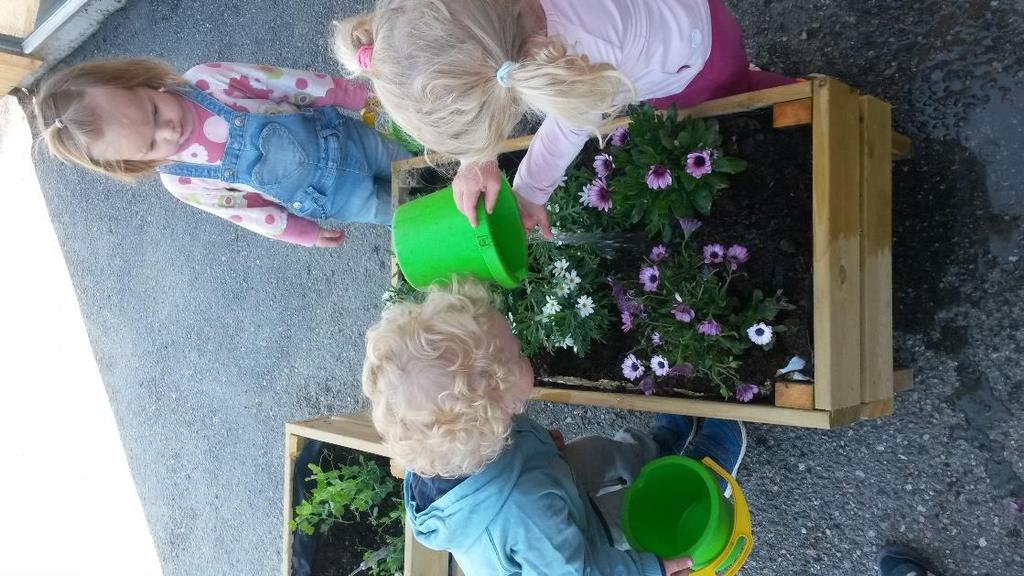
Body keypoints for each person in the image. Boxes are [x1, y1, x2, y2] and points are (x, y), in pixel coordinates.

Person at [360, 278, 747, 575]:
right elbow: (578, 570)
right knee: (638, 511)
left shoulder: (446, 445)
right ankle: (699, 473)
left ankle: (657, 449)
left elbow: (506, 439)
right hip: (575, 539)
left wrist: (538, 443)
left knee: (598, 448)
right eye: (517, 353)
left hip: (542, 475)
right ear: (498, 408)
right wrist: (649, 569)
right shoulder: (527, 515)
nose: (524, 348)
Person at [333, 0, 794, 238]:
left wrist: (530, 192)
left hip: (696, 57)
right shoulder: (497, 21)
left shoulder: (582, 57)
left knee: (738, 100)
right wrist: (478, 158)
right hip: (680, 16)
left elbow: (575, 120)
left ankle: (795, 93)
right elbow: (463, 40)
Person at [35, 59, 411, 247]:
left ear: (140, 82)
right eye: (150, 145)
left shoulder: (206, 81)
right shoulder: (182, 180)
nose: (168, 131)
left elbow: (284, 83)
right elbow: (246, 213)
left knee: (414, 167)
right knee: (402, 217)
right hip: (335, 199)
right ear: (137, 161)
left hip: (346, 140)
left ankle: (463, 180)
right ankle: (461, 228)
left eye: (154, 111)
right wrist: (303, 234)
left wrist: (355, 94)